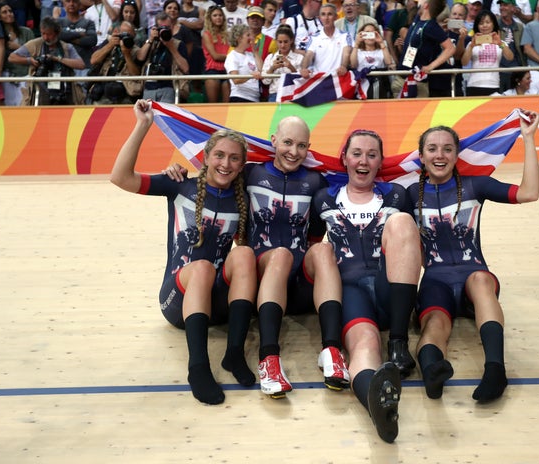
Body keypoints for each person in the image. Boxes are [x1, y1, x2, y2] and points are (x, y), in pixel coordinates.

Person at [166, 115, 351, 398]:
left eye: (302, 146)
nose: (293, 151)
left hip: (298, 286)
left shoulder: (316, 181)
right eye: (287, 142)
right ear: (273, 141)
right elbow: (216, 176)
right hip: (261, 278)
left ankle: (332, 351)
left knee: (323, 249)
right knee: (280, 255)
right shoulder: (250, 174)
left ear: (309, 148)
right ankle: (269, 359)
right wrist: (175, 170)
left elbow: (315, 234)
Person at [111, 99, 257, 406]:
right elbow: (120, 177)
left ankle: (233, 354)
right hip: (176, 301)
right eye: (219, 155)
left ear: (242, 166)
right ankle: (198, 367)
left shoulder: (244, 198)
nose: (225, 164)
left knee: (243, 255)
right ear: (204, 157)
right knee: (202, 267)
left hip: (218, 304)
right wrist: (142, 126)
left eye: (234, 159)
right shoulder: (179, 185)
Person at [407, 109, 539, 403]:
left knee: (481, 280)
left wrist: (528, 139)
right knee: (434, 326)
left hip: (474, 279)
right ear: (421, 156)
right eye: (432, 149)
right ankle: (432, 373)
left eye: (447, 149)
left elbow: (529, 193)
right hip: (435, 282)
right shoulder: (407, 195)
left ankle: (496, 370)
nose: (439, 155)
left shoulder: (474, 185)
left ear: (457, 155)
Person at [310, 129, 423, 442]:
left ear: (380, 162)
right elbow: (311, 247)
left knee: (401, 222)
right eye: (356, 153)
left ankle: (399, 342)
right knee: (365, 345)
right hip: (351, 292)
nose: (363, 160)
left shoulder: (398, 195)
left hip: (391, 289)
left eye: (371, 154)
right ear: (344, 158)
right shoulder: (323, 198)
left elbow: (414, 248)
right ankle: (377, 406)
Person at [9, 16, 86, 105]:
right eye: (43, 33)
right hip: (40, 90)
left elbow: (81, 65)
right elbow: (12, 57)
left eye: (49, 34)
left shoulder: (66, 47)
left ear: (57, 33)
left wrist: (57, 59)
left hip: (64, 90)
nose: (45, 37)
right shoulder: (35, 44)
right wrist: (30, 60)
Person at [391, 0, 455, 98]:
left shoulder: (432, 26)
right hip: (401, 77)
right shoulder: (418, 18)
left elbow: (450, 48)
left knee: (417, 113)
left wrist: (430, 66)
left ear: (426, 5)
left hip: (417, 82)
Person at [137, 12, 190, 102]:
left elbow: (186, 69)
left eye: (167, 28)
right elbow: (140, 57)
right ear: (156, 29)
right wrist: (150, 40)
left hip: (168, 88)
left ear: (172, 28)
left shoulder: (178, 44)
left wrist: (171, 47)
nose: (165, 31)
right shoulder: (150, 42)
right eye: (162, 28)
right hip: (149, 88)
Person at [87, 21, 143, 104]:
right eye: (124, 35)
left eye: (130, 36)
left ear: (134, 36)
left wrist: (127, 54)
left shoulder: (137, 50)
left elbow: (136, 75)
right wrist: (111, 45)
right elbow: (93, 60)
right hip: (104, 91)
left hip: (125, 93)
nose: (126, 38)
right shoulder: (110, 44)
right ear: (117, 32)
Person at [462, 10, 515, 96]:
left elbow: (510, 57)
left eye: (488, 22)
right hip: (474, 84)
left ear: (493, 24)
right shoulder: (472, 43)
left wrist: (500, 44)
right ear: (477, 26)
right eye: (481, 23)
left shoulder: (500, 43)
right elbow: (464, 62)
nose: (484, 25)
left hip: (493, 84)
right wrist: (471, 46)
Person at [0, 2, 35, 106]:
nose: (9, 14)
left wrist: (18, 47)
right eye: (4, 12)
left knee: (24, 107)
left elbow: (35, 54)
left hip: (24, 74)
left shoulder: (26, 32)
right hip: (6, 75)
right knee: (8, 110)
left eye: (10, 11)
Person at [299, 3, 352, 79]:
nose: (326, 18)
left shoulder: (345, 36)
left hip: (338, 80)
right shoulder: (314, 38)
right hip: (319, 81)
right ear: (320, 18)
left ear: (336, 17)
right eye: (323, 14)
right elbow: (308, 55)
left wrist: (343, 66)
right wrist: (303, 69)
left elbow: (346, 54)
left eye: (329, 14)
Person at [349, 23, 395, 98]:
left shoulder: (381, 50)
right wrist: (356, 44)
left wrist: (381, 42)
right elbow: (353, 65)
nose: (369, 36)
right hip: (362, 86)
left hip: (379, 85)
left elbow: (389, 62)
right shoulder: (358, 51)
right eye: (366, 33)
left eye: (372, 33)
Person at [262, 24, 304, 101]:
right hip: (274, 95)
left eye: (285, 42)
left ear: (291, 41)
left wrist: (291, 67)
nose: (282, 45)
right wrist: (272, 68)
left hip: (292, 95)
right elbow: (265, 82)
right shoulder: (270, 57)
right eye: (280, 42)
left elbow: (301, 81)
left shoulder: (299, 58)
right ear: (276, 41)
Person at [224, 23, 264, 102]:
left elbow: (262, 70)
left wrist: (255, 51)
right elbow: (236, 80)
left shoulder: (250, 55)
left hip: (255, 98)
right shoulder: (232, 56)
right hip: (240, 97)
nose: (251, 38)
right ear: (239, 38)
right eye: (248, 35)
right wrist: (251, 75)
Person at [59, 0, 98, 76]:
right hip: (62, 66)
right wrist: (79, 34)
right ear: (63, 3)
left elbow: (92, 40)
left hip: (84, 66)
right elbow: (58, 36)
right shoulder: (58, 22)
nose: (71, 4)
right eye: (68, 1)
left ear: (80, 3)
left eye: (75, 1)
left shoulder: (88, 23)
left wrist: (68, 38)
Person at [202, 4, 231, 103]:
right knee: (213, 106)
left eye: (220, 15)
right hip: (213, 70)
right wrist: (230, 57)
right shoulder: (207, 34)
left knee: (227, 106)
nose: (218, 17)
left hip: (227, 70)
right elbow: (215, 56)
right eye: (215, 15)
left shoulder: (228, 35)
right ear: (210, 18)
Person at [496, 0, 526, 93]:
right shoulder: (494, 24)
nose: (502, 7)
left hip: (516, 71)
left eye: (505, 5)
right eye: (501, 5)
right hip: (499, 70)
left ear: (513, 8)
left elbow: (523, 49)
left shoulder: (520, 27)